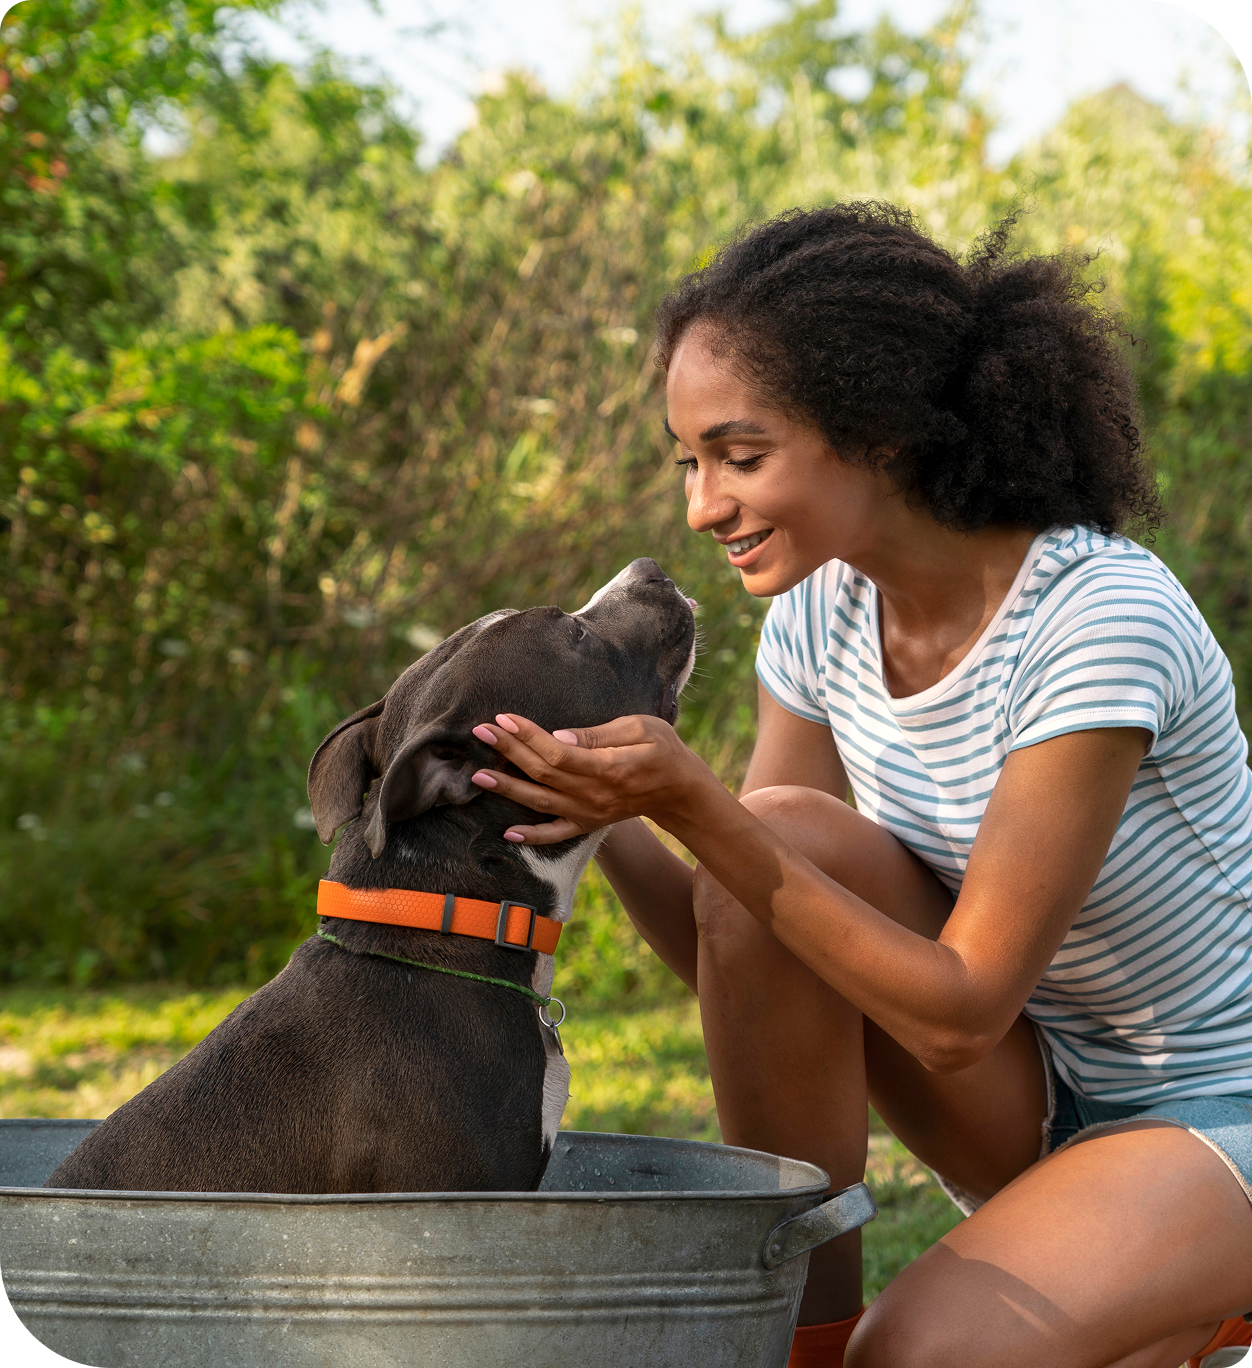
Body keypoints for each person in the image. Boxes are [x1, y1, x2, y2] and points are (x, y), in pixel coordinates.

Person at [465, 203, 1252, 1368]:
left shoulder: (1097, 618)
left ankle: (1196, 1299)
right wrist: (602, 804)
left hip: (1206, 1110)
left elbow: (955, 1013)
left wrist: (687, 801)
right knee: (778, 831)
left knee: (920, 1360)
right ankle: (796, 1335)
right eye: (689, 462)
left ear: (877, 433)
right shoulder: (820, 614)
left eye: (740, 457)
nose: (701, 506)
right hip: (1024, 1101)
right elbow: (740, 940)